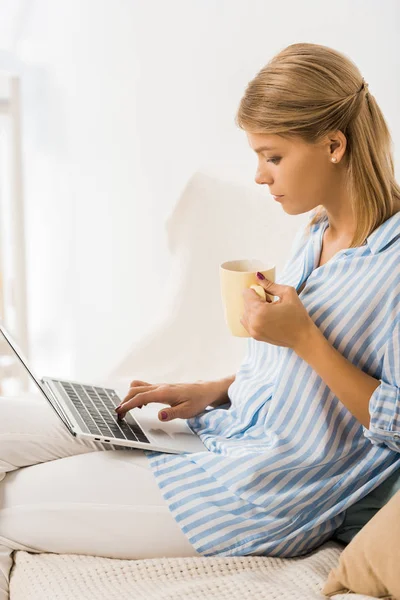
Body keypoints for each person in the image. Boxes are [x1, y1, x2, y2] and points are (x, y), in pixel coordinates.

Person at [1, 41, 400, 598]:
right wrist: (212, 390)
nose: (260, 175)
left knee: (8, 506)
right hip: (218, 433)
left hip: (255, 492)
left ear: (334, 144)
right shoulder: (316, 233)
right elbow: (297, 387)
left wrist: (305, 338)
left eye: (273, 156)